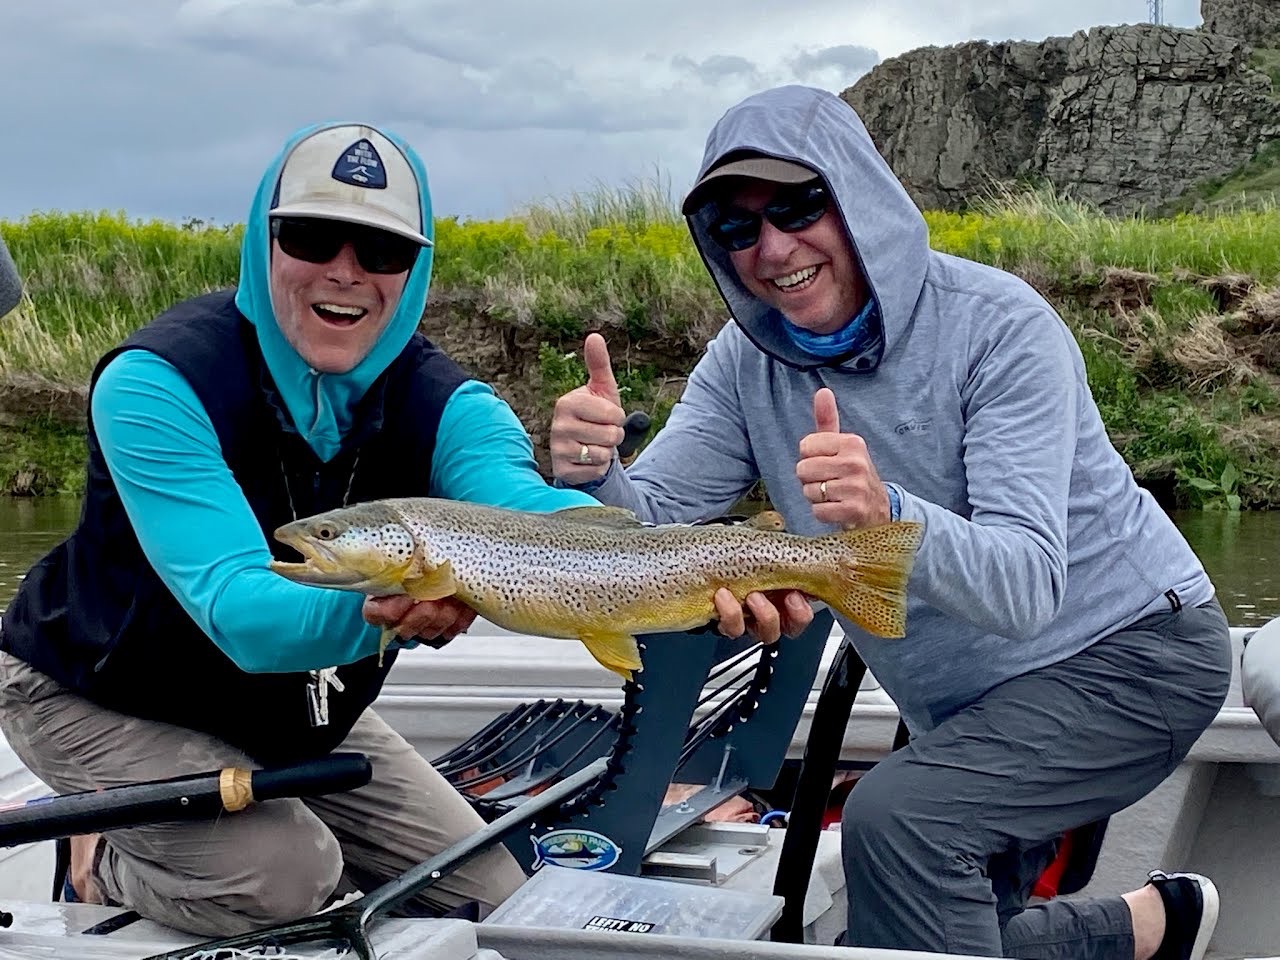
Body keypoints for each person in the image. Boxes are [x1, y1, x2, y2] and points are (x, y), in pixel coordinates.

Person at [0, 121, 776, 937]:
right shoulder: (156, 384)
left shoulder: (452, 406)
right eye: (311, 235)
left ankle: (248, 816)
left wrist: (652, 546)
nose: (346, 271)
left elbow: (525, 510)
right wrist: (393, 611)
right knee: (285, 881)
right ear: (264, 241)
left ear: (416, 268)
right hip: (99, 692)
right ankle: (100, 860)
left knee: (489, 893)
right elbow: (241, 611)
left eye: (381, 251)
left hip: (289, 703)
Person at [549, 85, 1232, 960]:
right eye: (737, 229)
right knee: (903, 931)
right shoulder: (741, 363)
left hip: (1133, 655)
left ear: (859, 199)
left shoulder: (1001, 327)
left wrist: (889, 514)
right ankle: (1143, 927)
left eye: (798, 207)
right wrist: (594, 471)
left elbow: (1028, 585)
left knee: (898, 824)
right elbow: (653, 534)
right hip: (965, 703)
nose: (775, 248)